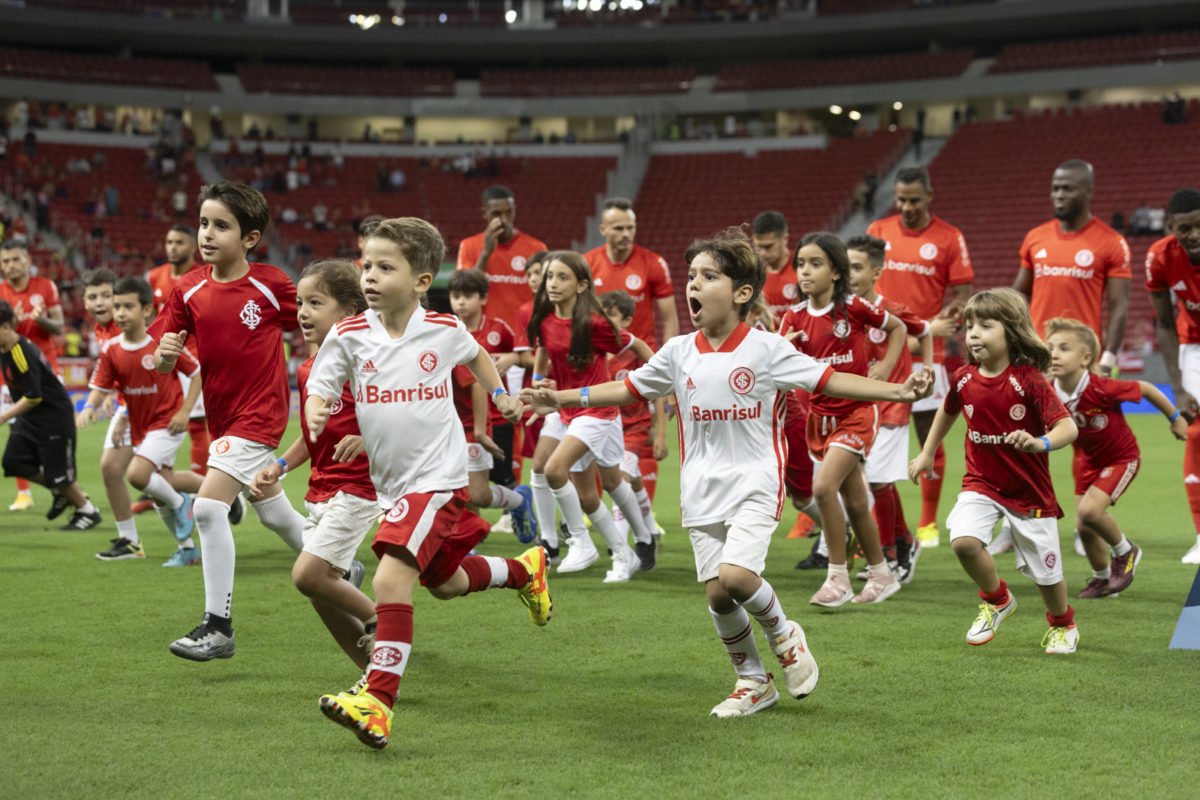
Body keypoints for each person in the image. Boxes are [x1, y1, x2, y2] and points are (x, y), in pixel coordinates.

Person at [522, 228, 930, 716]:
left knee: (737, 577)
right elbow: (629, 388)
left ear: (741, 294)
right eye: (691, 276)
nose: (694, 285)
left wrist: (900, 390)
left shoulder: (765, 349)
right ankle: (753, 681)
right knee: (718, 595)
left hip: (756, 482)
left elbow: (830, 378)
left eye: (709, 276)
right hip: (700, 489)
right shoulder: (678, 352)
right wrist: (562, 398)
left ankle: (786, 635)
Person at [304, 217, 549, 750]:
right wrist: (319, 408)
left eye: (384, 267)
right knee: (445, 582)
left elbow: (477, 356)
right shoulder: (348, 335)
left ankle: (377, 701)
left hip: (439, 479)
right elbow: (320, 385)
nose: (368, 276)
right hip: (392, 486)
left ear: (421, 280)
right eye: (366, 264)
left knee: (390, 582)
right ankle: (522, 569)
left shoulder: (442, 330)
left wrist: (503, 395)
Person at [150, 180, 309, 662]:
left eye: (221, 226)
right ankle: (337, 567)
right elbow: (159, 360)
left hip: (261, 414)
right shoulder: (187, 288)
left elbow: (316, 323)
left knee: (205, 508)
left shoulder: (272, 284)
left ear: (250, 239)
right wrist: (164, 354)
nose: (207, 234)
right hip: (224, 417)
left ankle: (217, 627)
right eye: (203, 223)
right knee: (272, 509)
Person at [909, 289, 1081, 655]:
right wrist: (927, 452)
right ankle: (997, 599)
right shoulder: (963, 378)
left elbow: (1068, 428)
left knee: (1047, 577)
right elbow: (948, 410)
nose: (973, 333)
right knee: (964, 540)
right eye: (969, 325)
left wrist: (1041, 442)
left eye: (985, 325)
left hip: (1029, 492)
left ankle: (1063, 623)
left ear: (1011, 330)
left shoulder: (1030, 380)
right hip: (981, 484)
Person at [251, 259, 376, 668]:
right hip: (321, 490)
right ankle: (374, 679)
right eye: (301, 303)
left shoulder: (369, 363)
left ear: (348, 312)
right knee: (320, 592)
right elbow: (313, 433)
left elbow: (406, 418)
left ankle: (385, 623)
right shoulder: (309, 370)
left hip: (359, 489)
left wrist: (369, 437)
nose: (303, 312)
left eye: (315, 302)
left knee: (308, 575)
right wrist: (281, 466)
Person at [780, 232, 908, 607]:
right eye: (801, 263)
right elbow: (779, 363)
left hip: (856, 413)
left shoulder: (853, 307)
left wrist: (884, 366)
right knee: (854, 502)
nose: (805, 271)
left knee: (823, 489)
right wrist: (784, 348)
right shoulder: (794, 317)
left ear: (836, 272)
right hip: (820, 418)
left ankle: (837, 577)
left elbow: (897, 327)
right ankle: (882, 574)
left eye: (815, 264)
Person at [528, 251, 657, 581]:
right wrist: (540, 385)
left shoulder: (595, 324)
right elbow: (552, 362)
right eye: (549, 277)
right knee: (599, 490)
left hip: (599, 412)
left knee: (554, 469)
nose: (552, 284)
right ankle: (628, 549)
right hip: (571, 413)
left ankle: (583, 542)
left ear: (582, 285)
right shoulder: (544, 321)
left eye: (562, 277)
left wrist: (654, 381)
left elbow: (640, 346)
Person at [867, 166, 974, 549]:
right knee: (872, 441)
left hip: (925, 354)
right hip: (879, 354)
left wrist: (937, 324)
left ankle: (927, 521)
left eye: (914, 199)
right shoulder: (879, 231)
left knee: (929, 435)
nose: (907, 206)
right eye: (901, 199)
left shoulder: (948, 237)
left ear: (930, 196)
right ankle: (881, 528)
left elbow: (963, 295)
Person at [1045, 317, 1186, 598]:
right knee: (1084, 528)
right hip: (1088, 463)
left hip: (1121, 458)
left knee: (1089, 512)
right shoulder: (1049, 390)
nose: (1054, 354)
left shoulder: (1102, 387)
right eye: (1050, 348)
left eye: (1063, 348)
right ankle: (1103, 580)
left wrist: (1174, 418)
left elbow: (1146, 388)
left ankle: (1126, 550)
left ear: (1086, 358)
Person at [78, 276, 205, 564]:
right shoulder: (111, 348)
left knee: (138, 475)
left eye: (127, 307)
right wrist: (89, 407)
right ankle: (187, 547)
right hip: (138, 424)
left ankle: (181, 501)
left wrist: (185, 411)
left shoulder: (162, 342)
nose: (120, 312)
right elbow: (101, 388)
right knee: (159, 483)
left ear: (147, 310)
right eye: (117, 306)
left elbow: (197, 372)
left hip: (166, 422)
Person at [846, 235, 933, 584]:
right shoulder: (847, 312)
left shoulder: (891, 310)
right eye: (845, 267)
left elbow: (925, 331)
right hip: (860, 405)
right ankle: (904, 542)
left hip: (893, 406)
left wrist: (925, 368)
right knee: (878, 484)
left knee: (879, 480)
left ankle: (888, 556)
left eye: (857, 267)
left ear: (876, 271)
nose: (849, 274)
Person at [1014, 159, 1131, 363]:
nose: (1059, 195)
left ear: (1089, 192)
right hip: (1037, 354)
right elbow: (1018, 295)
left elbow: (1118, 306)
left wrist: (1108, 358)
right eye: (1055, 189)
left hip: (1082, 358)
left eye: (1067, 189)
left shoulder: (1112, 242)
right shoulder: (1035, 237)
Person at [447, 269, 535, 538]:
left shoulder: (497, 329)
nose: (461, 302)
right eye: (455, 296)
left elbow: (524, 356)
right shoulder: (446, 330)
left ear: (483, 298)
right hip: (457, 423)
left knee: (484, 487)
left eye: (468, 296)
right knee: (461, 485)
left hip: (491, 420)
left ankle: (518, 501)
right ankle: (470, 536)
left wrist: (513, 358)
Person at [0, 300, 101, 530]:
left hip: (52, 417)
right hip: (31, 418)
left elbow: (34, 396)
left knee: (60, 473)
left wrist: (4, 417)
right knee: (13, 461)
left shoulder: (20, 352)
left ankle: (87, 510)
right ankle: (60, 493)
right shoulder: (5, 348)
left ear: (6, 327)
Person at [1145, 187, 1200, 564]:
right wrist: (1179, 389)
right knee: (1195, 429)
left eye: (1199, 226)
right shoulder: (1160, 257)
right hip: (1193, 345)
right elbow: (1165, 324)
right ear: (1171, 228)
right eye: (1185, 228)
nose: (1194, 235)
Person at [0, 239, 65, 512]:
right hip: (10, 376)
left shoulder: (45, 286)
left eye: (15, 259)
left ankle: (63, 486)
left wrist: (41, 321)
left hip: (46, 369)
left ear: (27, 260)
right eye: (5, 261)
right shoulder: (0, 292)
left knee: (49, 433)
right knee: (18, 431)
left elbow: (59, 327)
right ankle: (24, 492)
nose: (10, 266)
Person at [599, 290, 666, 552]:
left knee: (621, 477)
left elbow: (659, 390)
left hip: (636, 428)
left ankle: (620, 545)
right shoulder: (595, 350)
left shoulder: (635, 350)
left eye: (611, 315)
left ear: (626, 320)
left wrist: (660, 434)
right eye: (601, 314)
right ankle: (649, 528)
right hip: (607, 428)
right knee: (633, 478)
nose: (605, 320)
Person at [147, 225, 214, 484]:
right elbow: (153, 319)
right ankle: (162, 479)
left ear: (192, 246)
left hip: (195, 358)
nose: (172, 247)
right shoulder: (155, 276)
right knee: (159, 420)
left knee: (197, 423)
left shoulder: (203, 275)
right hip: (165, 359)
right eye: (169, 241)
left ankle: (198, 481)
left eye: (179, 242)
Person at [456, 185, 547, 351]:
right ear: (485, 214)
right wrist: (486, 253)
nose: (504, 219)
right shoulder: (469, 246)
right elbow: (464, 289)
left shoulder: (536, 247)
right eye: (497, 214)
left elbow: (545, 295)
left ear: (515, 211)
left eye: (508, 212)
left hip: (526, 339)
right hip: (485, 341)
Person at [585, 197, 678, 351]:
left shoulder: (654, 263)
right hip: (600, 355)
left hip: (640, 356)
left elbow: (669, 319)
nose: (626, 234)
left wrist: (669, 357)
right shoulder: (586, 264)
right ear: (603, 229)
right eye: (619, 228)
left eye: (630, 228)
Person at [752, 211, 798, 320]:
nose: (762, 253)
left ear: (785, 239)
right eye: (759, 247)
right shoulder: (754, 274)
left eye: (768, 247)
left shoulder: (802, 268)